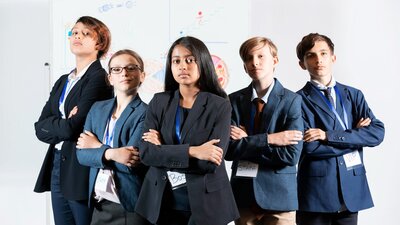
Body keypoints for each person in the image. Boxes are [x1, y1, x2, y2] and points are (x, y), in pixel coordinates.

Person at [135, 36, 239, 225]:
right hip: (161, 200)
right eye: (176, 61)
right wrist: (194, 151)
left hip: (205, 204)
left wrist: (163, 152)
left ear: (203, 62)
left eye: (190, 60)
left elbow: (210, 163)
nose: (182, 66)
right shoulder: (159, 101)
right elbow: (146, 153)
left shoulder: (220, 105)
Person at [295, 33, 385, 225]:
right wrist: (356, 138)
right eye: (311, 55)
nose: (318, 60)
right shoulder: (297, 100)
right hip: (316, 195)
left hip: (351, 193)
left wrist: (327, 136)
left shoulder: (353, 95)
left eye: (323, 53)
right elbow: (310, 148)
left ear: (333, 58)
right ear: (302, 64)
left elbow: (377, 133)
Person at [33, 16, 113, 225]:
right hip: (57, 164)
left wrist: (58, 123)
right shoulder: (63, 81)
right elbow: (39, 127)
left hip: (81, 168)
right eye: (74, 32)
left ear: (99, 43)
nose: (77, 36)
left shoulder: (99, 79)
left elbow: (72, 129)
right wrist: (62, 122)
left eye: (86, 33)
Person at [225, 36, 303, 225]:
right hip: (243, 196)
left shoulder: (292, 100)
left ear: (274, 61)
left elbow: (291, 155)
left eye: (261, 56)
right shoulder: (233, 100)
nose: (255, 62)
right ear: (244, 66)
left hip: (279, 200)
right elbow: (229, 151)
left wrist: (247, 141)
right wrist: (271, 139)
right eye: (249, 58)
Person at [76, 49, 150, 225]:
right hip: (99, 205)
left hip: (127, 207)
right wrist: (112, 153)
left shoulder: (146, 113)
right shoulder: (97, 109)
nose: (124, 73)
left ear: (142, 75)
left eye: (131, 68)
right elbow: (81, 155)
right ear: (110, 78)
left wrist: (96, 146)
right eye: (116, 69)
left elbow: (130, 163)